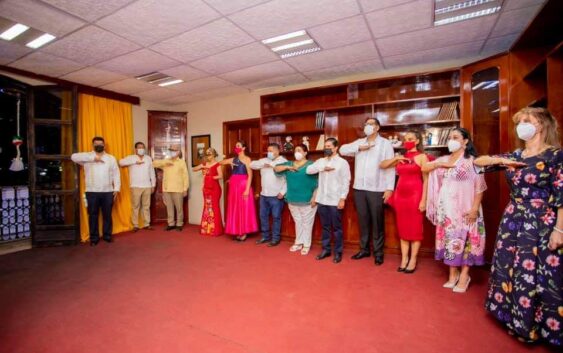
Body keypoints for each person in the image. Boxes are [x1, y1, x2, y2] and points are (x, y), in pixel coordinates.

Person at [475, 107, 562, 346]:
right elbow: (478, 161)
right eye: (519, 122)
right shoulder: (516, 155)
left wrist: (560, 229)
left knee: (536, 271)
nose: (521, 125)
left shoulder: (555, 156)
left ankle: (537, 326)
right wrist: (502, 161)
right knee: (509, 267)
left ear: (542, 125)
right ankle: (511, 316)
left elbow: (562, 194)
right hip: (513, 217)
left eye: (527, 121)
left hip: (541, 221)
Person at [422, 128, 486, 293]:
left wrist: (474, 209)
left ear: (465, 141)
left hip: (466, 209)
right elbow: (424, 168)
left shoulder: (474, 161)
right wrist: (441, 163)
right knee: (451, 241)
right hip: (448, 211)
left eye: (456, 137)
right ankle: (453, 274)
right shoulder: (444, 159)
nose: (451, 140)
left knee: (467, 242)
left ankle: (464, 275)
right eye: (450, 137)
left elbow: (480, 188)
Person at [339, 117, 395, 265]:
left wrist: (389, 188)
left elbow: (390, 166)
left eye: (371, 124)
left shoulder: (385, 144)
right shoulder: (360, 142)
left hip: (377, 188)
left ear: (377, 127)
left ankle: (378, 252)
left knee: (377, 222)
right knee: (363, 221)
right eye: (366, 124)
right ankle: (364, 250)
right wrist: (359, 148)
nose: (367, 127)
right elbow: (342, 150)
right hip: (359, 188)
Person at [380, 131, 429, 273]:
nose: (407, 141)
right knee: (402, 228)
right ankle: (404, 259)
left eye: (411, 139)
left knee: (414, 229)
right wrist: (396, 159)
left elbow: (426, 180)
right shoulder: (401, 157)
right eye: (405, 139)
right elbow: (382, 165)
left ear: (417, 141)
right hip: (400, 195)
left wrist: (423, 200)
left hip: (415, 195)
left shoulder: (422, 157)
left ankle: (413, 259)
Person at [306, 138, 351, 264]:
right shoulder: (321, 161)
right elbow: (308, 170)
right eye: (325, 146)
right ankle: (326, 250)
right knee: (325, 227)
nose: (327, 148)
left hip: (335, 200)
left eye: (329, 146)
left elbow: (345, 181)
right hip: (322, 199)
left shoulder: (342, 163)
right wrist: (322, 168)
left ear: (336, 148)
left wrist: (343, 198)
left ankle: (338, 252)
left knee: (336, 228)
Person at [71, 136, 120, 246]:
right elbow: (73, 157)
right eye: (96, 144)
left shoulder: (111, 158)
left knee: (107, 215)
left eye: (101, 144)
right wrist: (93, 159)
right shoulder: (87, 157)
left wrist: (116, 188)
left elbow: (116, 174)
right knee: (93, 215)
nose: (99, 145)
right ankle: (94, 238)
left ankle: (107, 236)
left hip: (108, 191)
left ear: (104, 145)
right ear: (93, 145)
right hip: (91, 191)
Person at [275, 144, 318, 255]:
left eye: (299, 150)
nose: (296, 152)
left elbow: (319, 182)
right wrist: (288, 167)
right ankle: (298, 242)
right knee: (298, 222)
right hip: (292, 199)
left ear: (305, 153)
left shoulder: (311, 165)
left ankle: (306, 244)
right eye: (295, 150)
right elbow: (276, 168)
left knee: (307, 223)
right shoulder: (289, 164)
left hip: (307, 200)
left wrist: (315, 197)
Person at [251, 143, 287, 247]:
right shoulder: (264, 160)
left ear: (277, 151)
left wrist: (283, 192)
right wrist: (264, 164)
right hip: (264, 195)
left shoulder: (283, 161)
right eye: (268, 150)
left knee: (276, 217)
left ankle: (275, 239)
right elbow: (252, 164)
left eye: (271, 151)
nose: (268, 153)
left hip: (277, 195)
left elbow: (287, 179)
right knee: (263, 216)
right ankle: (265, 237)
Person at [221, 140, 258, 241]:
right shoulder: (234, 159)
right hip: (234, 185)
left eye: (238, 145)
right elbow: (221, 162)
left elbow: (250, 175)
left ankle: (244, 232)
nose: (236, 147)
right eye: (235, 145)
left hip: (243, 184)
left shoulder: (247, 159)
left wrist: (247, 190)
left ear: (244, 148)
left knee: (244, 207)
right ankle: (237, 230)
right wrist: (229, 162)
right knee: (235, 207)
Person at [119, 142, 156, 232]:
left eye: (143, 147)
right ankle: (135, 225)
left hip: (147, 186)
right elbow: (120, 162)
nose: (141, 149)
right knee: (135, 206)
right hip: (135, 186)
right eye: (139, 147)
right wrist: (135, 162)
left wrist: (153, 185)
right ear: (135, 149)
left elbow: (152, 172)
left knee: (146, 206)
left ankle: (147, 224)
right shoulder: (131, 158)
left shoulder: (148, 158)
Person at [152, 146, 189, 231]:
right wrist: (165, 163)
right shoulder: (166, 161)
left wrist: (185, 189)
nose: (172, 151)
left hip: (178, 188)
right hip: (167, 188)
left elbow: (185, 176)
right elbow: (154, 163)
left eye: (174, 150)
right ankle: (171, 223)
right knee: (169, 207)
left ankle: (179, 224)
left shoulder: (181, 162)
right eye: (171, 150)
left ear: (178, 152)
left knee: (179, 208)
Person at [193, 147, 223, 236]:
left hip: (215, 189)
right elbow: (194, 169)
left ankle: (216, 230)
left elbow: (220, 176)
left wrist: (211, 177)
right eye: (207, 153)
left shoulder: (217, 164)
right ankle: (207, 229)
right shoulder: (205, 164)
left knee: (214, 208)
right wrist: (201, 166)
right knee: (207, 207)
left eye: (209, 153)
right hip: (206, 188)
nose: (208, 155)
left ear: (214, 154)